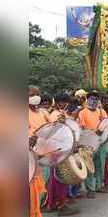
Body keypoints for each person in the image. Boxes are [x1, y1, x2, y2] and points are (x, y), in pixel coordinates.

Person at [45, 93, 80, 216]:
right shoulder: (56, 114)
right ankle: (61, 206)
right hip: (58, 151)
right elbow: (57, 132)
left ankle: (52, 204)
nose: (66, 104)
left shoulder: (60, 114)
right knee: (61, 179)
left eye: (66, 102)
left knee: (55, 179)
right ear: (58, 102)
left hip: (58, 150)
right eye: (64, 102)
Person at [78, 93, 108, 198]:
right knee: (89, 166)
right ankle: (90, 189)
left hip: (101, 143)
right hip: (88, 143)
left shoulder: (102, 111)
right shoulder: (82, 113)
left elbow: (106, 125)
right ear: (87, 99)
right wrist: (94, 132)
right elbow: (81, 129)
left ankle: (99, 185)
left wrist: (102, 133)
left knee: (100, 165)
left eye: (96, 99)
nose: (94, 101)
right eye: (91, 98)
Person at [28, 85, 47, 217]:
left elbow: (52, 129)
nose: (36, 97)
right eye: (32, 94)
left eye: (37, 94)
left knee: (37, 191)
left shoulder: (43, 113)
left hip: (40, 156)